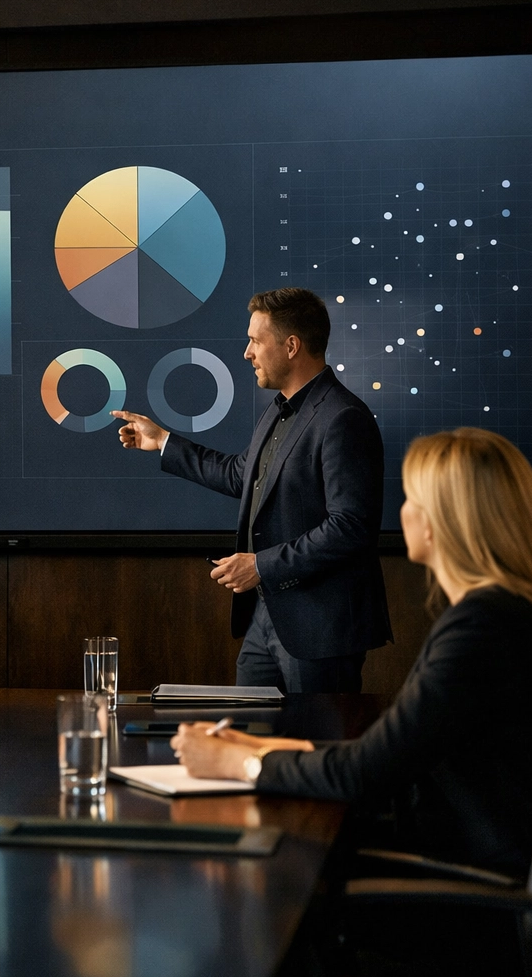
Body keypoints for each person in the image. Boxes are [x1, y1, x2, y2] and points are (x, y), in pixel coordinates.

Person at [170, 428, 532, 877]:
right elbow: (387, 751)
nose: (401, 511)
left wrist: (242, 763)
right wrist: (255, 744)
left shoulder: (482, 628)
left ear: (441, 521)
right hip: (467, 851)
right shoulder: (515, 613)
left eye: (411, 498)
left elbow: (365, 773)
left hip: (463, 878)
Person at [112, 287, 392, 692]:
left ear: (292, 345)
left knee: (312, 745)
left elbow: (351, 527)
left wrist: (260, 565)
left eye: (255, 341)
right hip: (265, 620)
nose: (247, 353)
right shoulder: (279, 410)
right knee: (249, 741)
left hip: (320, 631)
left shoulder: (344, 418)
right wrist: (163, 442)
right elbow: (240, 474)